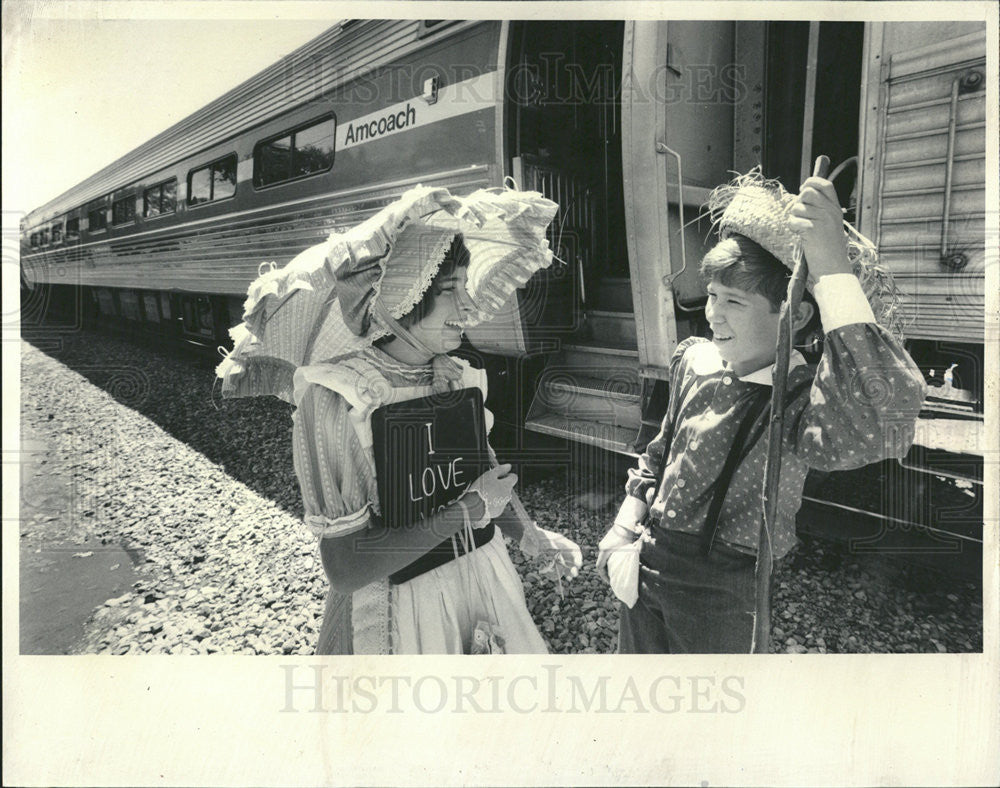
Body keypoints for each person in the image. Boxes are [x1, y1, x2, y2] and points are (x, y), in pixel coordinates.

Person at [596, 171, 927, 654]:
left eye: (734, 301)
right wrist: (624, 527)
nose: (713, 313)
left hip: (726, 586)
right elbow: (659, 455)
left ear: (794, 316)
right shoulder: (694, 360)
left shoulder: (802, 401)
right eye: (711, 294)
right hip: (647, 559)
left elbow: (882, 420)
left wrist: (831, 268)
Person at [292, 230, 582, 655]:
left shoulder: (457, 377)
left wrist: (528, 535)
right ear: (399, 298)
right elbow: (347, 567)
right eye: (451, 289)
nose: (469, 305)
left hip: (479, 574)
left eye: (466, 286)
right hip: (403, 607)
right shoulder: (342, 398)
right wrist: (468, 511)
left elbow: (482, 480)